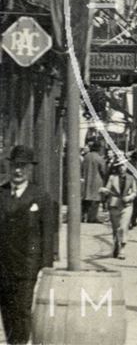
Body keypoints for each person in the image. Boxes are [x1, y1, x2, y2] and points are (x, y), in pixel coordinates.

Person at [0, 145, 54, 344]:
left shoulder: (40, 196)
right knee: (6, 309)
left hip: (28, 267)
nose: (17, 171)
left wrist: (46, 267)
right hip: (4, 266)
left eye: (22, 166)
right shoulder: (2, 193)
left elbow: (48, 235)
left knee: (22, 310)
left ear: (30, 169)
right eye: (15, 165)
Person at [100, 157, 137, 259]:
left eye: (124, 165)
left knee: (123, 227)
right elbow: (107, 189)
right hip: (115, 205)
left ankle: (122, 249)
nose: (122, 168)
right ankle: (117, 244)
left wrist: (129, 197)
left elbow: (135, 192)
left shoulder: (131, 178)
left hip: (127, 206)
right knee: (116, 228)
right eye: (120, 166)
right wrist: (104, 190)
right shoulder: (112, 178)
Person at [81, 141, 106, 223]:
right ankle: (92, 217)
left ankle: (83, 216)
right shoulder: (99, 158)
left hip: (86, 179)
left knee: (86, 199)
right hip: (96, 180)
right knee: (95, 200)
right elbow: (103, 170)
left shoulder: (86, 156)